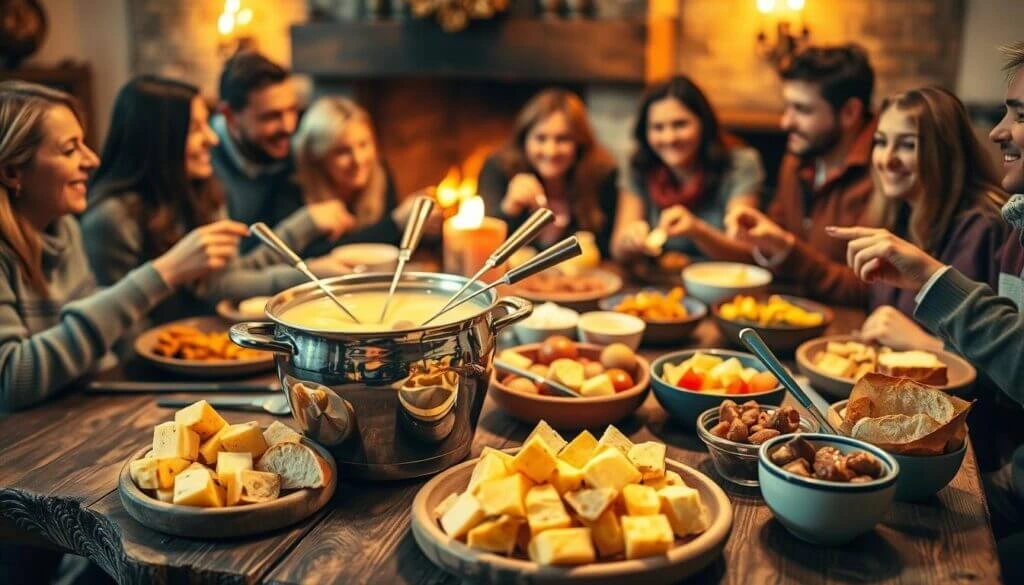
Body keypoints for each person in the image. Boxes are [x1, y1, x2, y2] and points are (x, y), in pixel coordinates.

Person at [826, 42, 1024, 580]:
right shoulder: (906, 214)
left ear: (942, 151)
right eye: (882, 142)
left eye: (907, 145)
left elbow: (991, 378)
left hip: (966, 451)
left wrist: (913, 338)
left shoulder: (982, 226)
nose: (887, 158)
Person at [0, 81, 249, 408]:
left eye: (84, 144)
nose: (92, 160)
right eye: (69, 149)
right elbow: (11, 381)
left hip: (76, 412)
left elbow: (98, 355)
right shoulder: (102, 220)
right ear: (11, 171)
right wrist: (162, 273)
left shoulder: (65, 230)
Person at [81, 76, 353, 332]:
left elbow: (230, 274)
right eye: (195, 129)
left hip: (213, 339)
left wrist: (312, 268)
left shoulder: (202, 190)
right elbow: (119, 332)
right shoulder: (111, 219)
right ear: (159, 140)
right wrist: (309, 274)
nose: (212, 139)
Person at [726, 45, 884, 285]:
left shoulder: (884, 173)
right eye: (787, 107)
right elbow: (774, 240)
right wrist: (760, 238)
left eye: (802, 109)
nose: (785, 122)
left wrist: (787, 251)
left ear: (850, 113)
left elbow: (869, 287)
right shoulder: (796, 161)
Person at [613, 75, 763, 263]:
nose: (669, 138)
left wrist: (698, 231)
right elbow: (618, 251)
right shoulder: (637, 164)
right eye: (658, 127)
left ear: (703, 123)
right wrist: (630, 241)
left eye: (680, 124)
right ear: (645, 132)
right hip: (659, 283)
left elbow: (748, 254)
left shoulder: (740, 164)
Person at [478, 89, 622, 258]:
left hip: (579, 281)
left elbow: (607, 250)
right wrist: (509, 208)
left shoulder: (601, 174)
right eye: (540, 138)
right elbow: (484, 250)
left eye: (562, 139)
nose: (550, 151)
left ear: (579, 142)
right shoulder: (498, 168)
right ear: (524, 139)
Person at [292, 97, 440, 256]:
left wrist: (420, 230)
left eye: (363, 145)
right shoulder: (292, 189)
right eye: (342, 151)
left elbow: (389, 246)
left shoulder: (379, 175)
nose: (358, 160)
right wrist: (395, 223)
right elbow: (311, 256)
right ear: (317, 156)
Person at [211, 50, 304, 249]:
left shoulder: (295, 144)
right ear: (229, 115)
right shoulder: (206, 167)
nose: (289, 126)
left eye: (292, 110)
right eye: (271, 117)